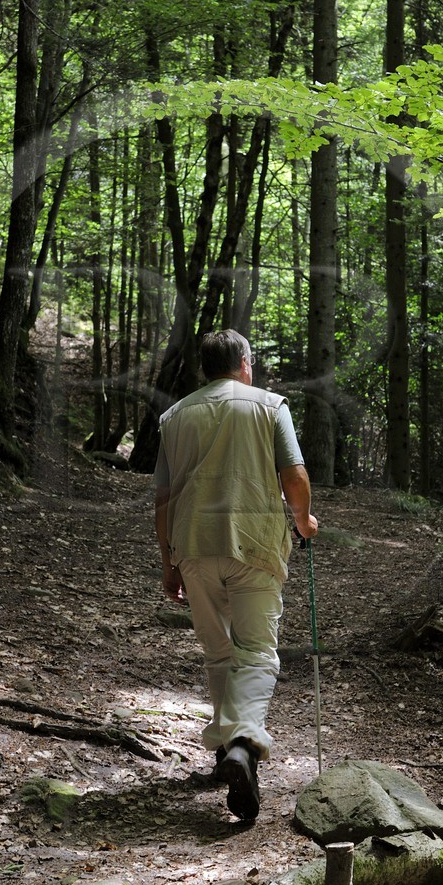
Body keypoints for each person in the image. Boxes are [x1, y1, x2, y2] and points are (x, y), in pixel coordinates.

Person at [154, 329, 318, 821]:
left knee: (220, 653)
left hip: (194, 546)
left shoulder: (174, 416)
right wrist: (304, 519)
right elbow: (293, 475)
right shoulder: (270, 405)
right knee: (257, 654)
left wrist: (167, 562)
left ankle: (228, 752)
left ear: (206, 369)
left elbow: (163, 499)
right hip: (256, 543)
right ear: (246, 362)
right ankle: (243, 744)